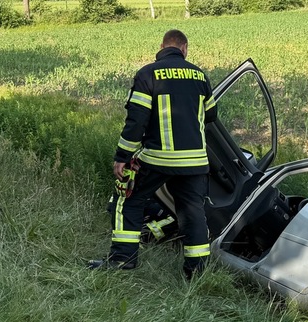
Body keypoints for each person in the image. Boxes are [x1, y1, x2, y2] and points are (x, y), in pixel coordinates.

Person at [88, 29, 217, 280]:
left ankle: (123, 259)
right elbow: (211, 115)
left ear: (161, 47)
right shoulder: (200, 75)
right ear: (184, 49)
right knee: (193, 212)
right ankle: (197, 273)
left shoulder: (148, 74)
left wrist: (122, 156)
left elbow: (136, 120)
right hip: (196, 162)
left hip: (158, 158)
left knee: (129, 199)